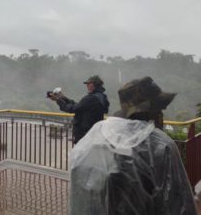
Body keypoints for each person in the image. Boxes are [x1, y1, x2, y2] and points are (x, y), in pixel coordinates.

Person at [70, 76, 197, 214]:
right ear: (151, 111)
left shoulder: (97, 135)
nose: (162, 113)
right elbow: (180, 205)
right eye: (159, 109)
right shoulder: (160, 145)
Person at [49, 75, 110, 144]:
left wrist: (58, 100)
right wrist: (64, 98)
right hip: (92, 133)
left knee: (82, 154)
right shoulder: (101, 97)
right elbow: (80, 106)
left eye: (89, 84)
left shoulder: (91, 98)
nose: (87, 86)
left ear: (94, 84)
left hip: (85, 135)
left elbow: (73, 109)